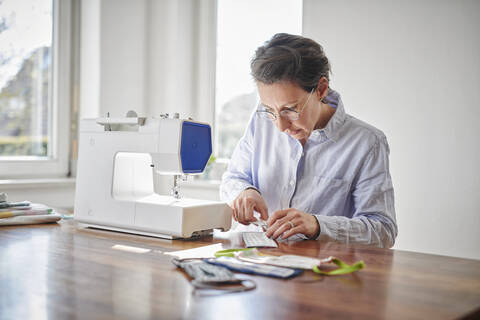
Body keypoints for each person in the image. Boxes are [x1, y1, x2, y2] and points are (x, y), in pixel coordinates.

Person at [220, 33, 397, 248]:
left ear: (321, 89)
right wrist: (245, 192)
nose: (280, 126)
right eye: (270, 110)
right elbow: (232, 178)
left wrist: (317, 225)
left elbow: (383, 231)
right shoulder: (261, 120)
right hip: (251, 263)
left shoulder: (368, 143)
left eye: (290, 109)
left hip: (316, 274)